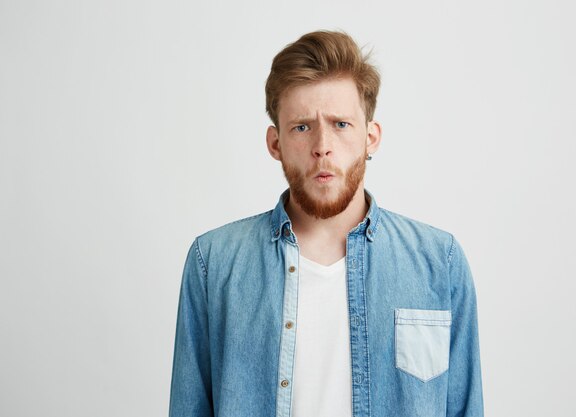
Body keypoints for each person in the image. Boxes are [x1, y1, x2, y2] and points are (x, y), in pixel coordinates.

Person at [169, 30, 484, 417]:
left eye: (340, 124)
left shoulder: (440, 263)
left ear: (371, 137)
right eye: (302, 126)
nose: (322, 145)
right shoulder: (213, 263)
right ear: (275, 143)